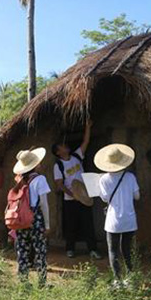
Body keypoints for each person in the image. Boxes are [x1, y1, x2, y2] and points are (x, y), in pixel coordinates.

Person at [52, 120, 102, 259]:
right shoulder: (59, 165)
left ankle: (92, 250)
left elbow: (85, 142)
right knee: (71, 225)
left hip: (84, 196)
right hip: (70, 199)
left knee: (88, 223)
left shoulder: (76, 156)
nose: (65, 146)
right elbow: (59, 184)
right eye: (62, 146)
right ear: (58, 152)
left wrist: (87, 127)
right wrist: (72, 194)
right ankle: (70, 249)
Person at [95, 144, 140, 288]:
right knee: (127, 249)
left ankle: (117, 280)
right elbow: (137, 196)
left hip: (113, 221)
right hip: (129, 219)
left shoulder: (104, 179)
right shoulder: (130, 177)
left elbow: (104, 199)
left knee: (113, 250)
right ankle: (131, 278)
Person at [12, 148, 51, 286]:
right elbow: (44, 204)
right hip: (35, 218)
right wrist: (47, 225)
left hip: (21, 219)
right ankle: (42, 282)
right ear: (35, 165)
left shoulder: (19, 180)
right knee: (39, 249)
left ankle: (23, 282)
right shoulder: (40, 179)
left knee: (22, 250)